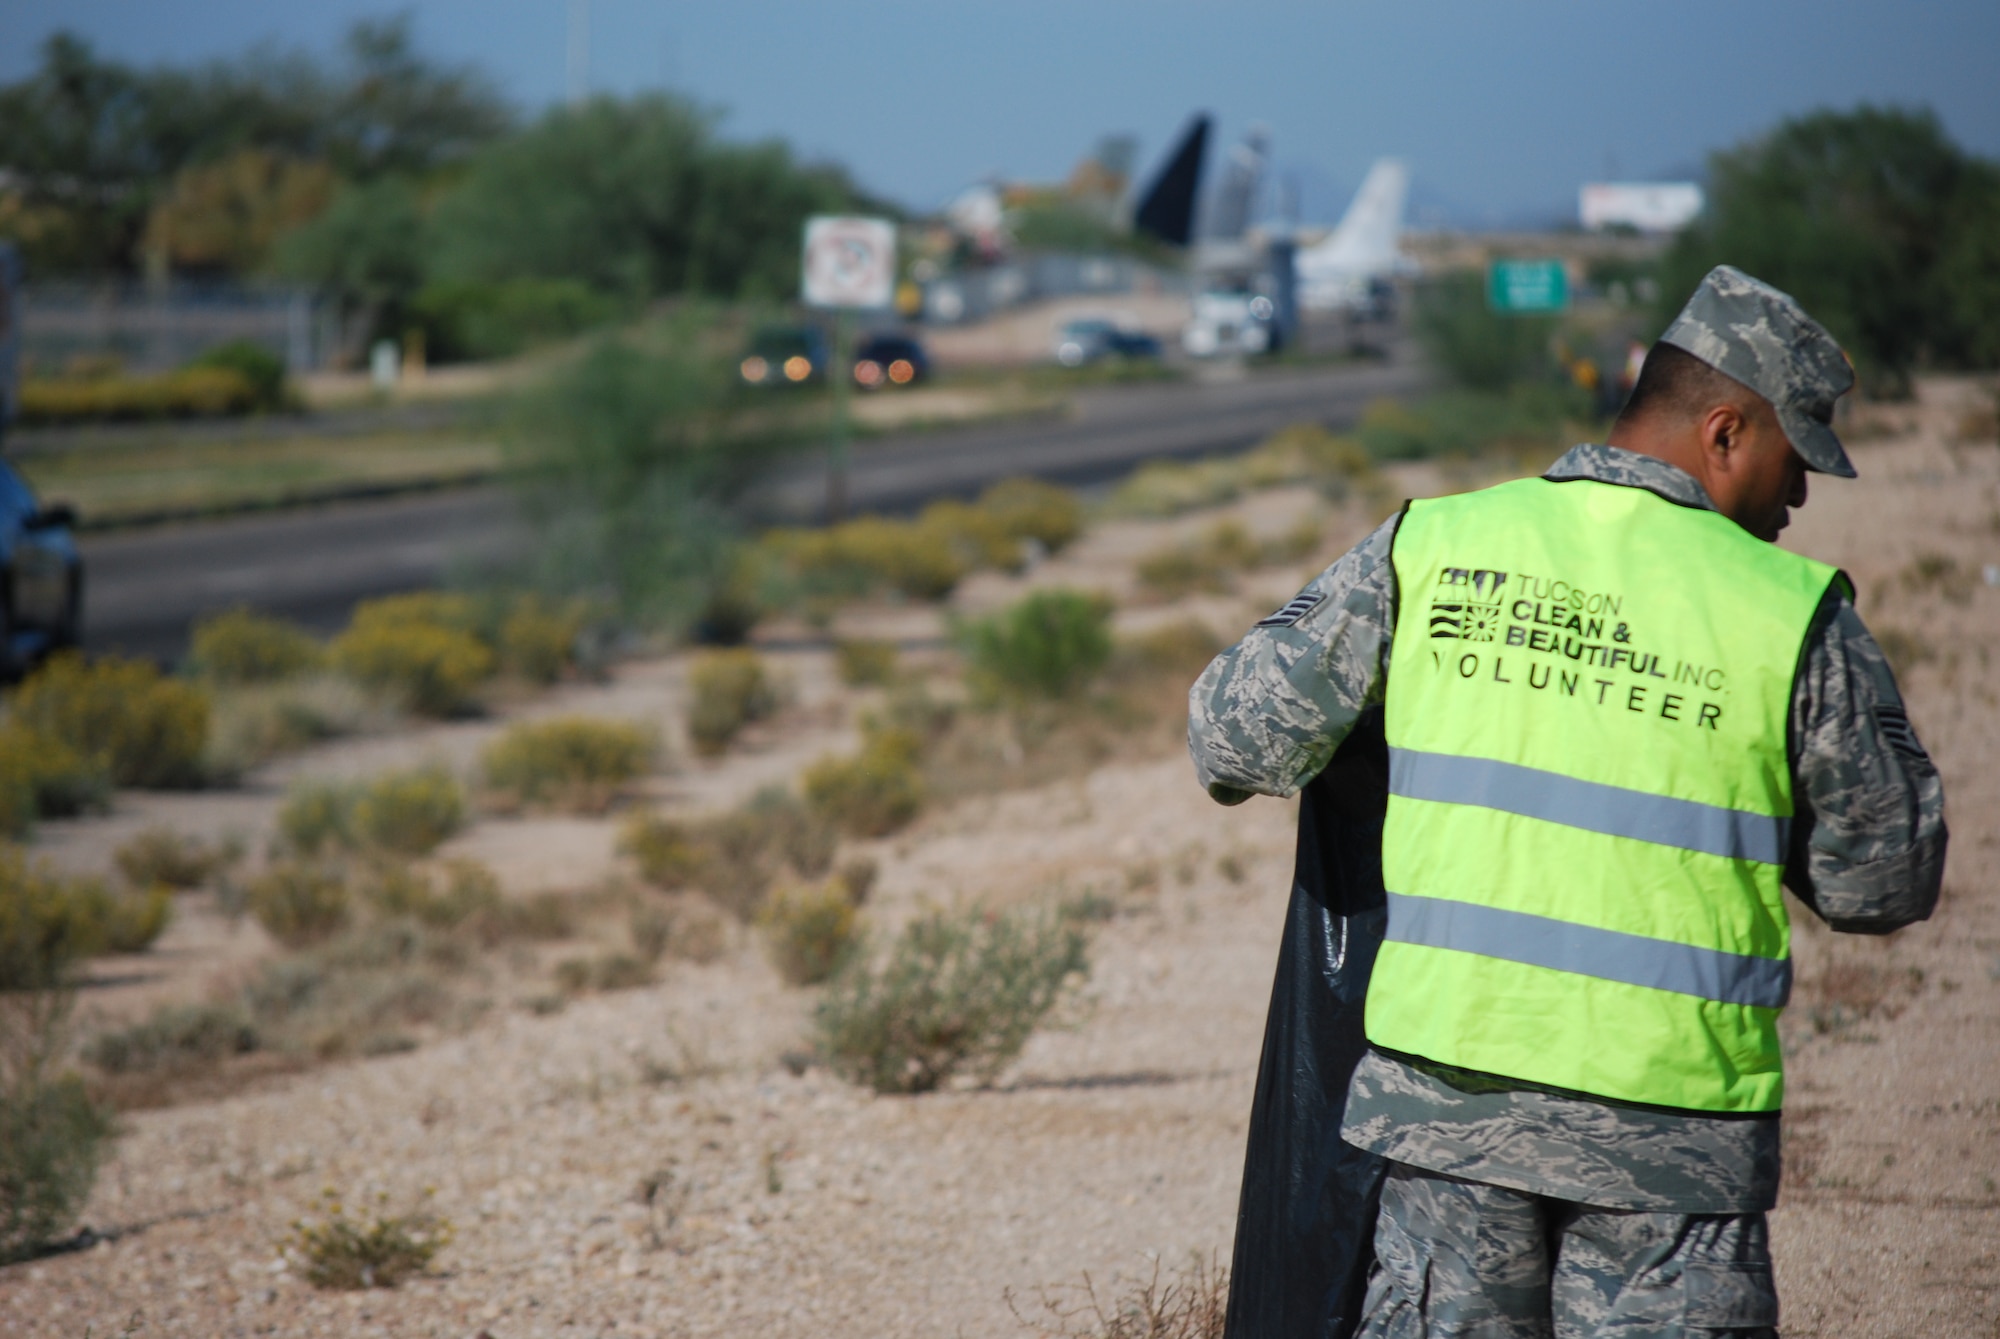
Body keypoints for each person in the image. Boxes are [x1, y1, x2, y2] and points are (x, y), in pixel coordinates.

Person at [1192, 265, 1946, 1338]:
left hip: (1444, 1130)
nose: (1799, 498)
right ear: (1725, 432)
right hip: (1673, 1148)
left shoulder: (1435, 550)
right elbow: (1885, 879)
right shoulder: (1788, 616)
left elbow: (1228, 734)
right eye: (1796, 458)